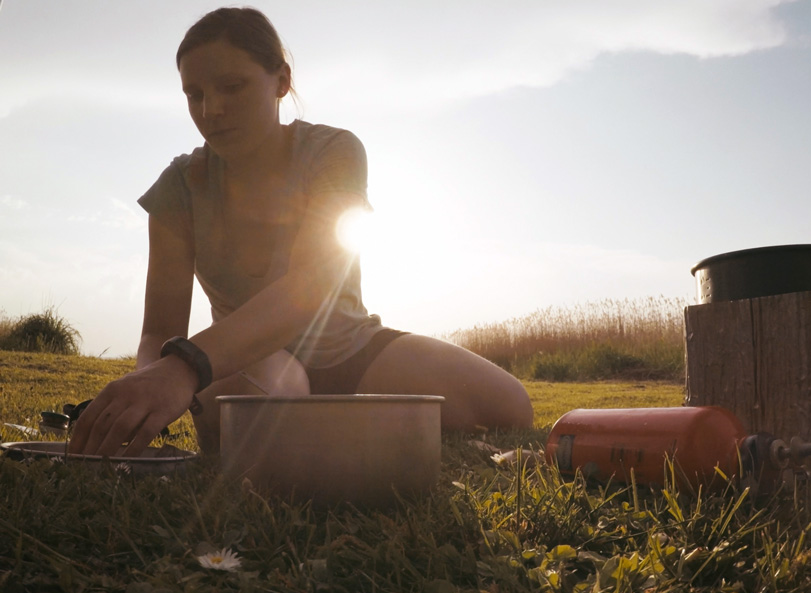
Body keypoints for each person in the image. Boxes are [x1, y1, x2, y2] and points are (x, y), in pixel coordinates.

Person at [67, 7, 532, 458]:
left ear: (281, 81)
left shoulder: (333, 151)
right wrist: (148, 387)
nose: (211, 110)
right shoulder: (178, 187)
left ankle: (331, 413)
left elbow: (310, 287)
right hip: (248, 363)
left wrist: (186, 366)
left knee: (509, 407)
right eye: (194, 94)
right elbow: (160, 330)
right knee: (264, 410)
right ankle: (327, 420)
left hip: (353, 351)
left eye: (232, 86)